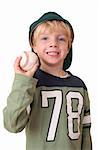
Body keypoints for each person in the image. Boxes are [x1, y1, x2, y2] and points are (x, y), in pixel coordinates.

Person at [3, 12, 92, 150]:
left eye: (61, 39)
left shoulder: (79, 86)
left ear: (69, 47)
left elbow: (85, 132)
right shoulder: (30, 84)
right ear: (33, 46)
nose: (53, 44)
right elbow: (12, 124)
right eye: (44, 38)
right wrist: (22, 81)